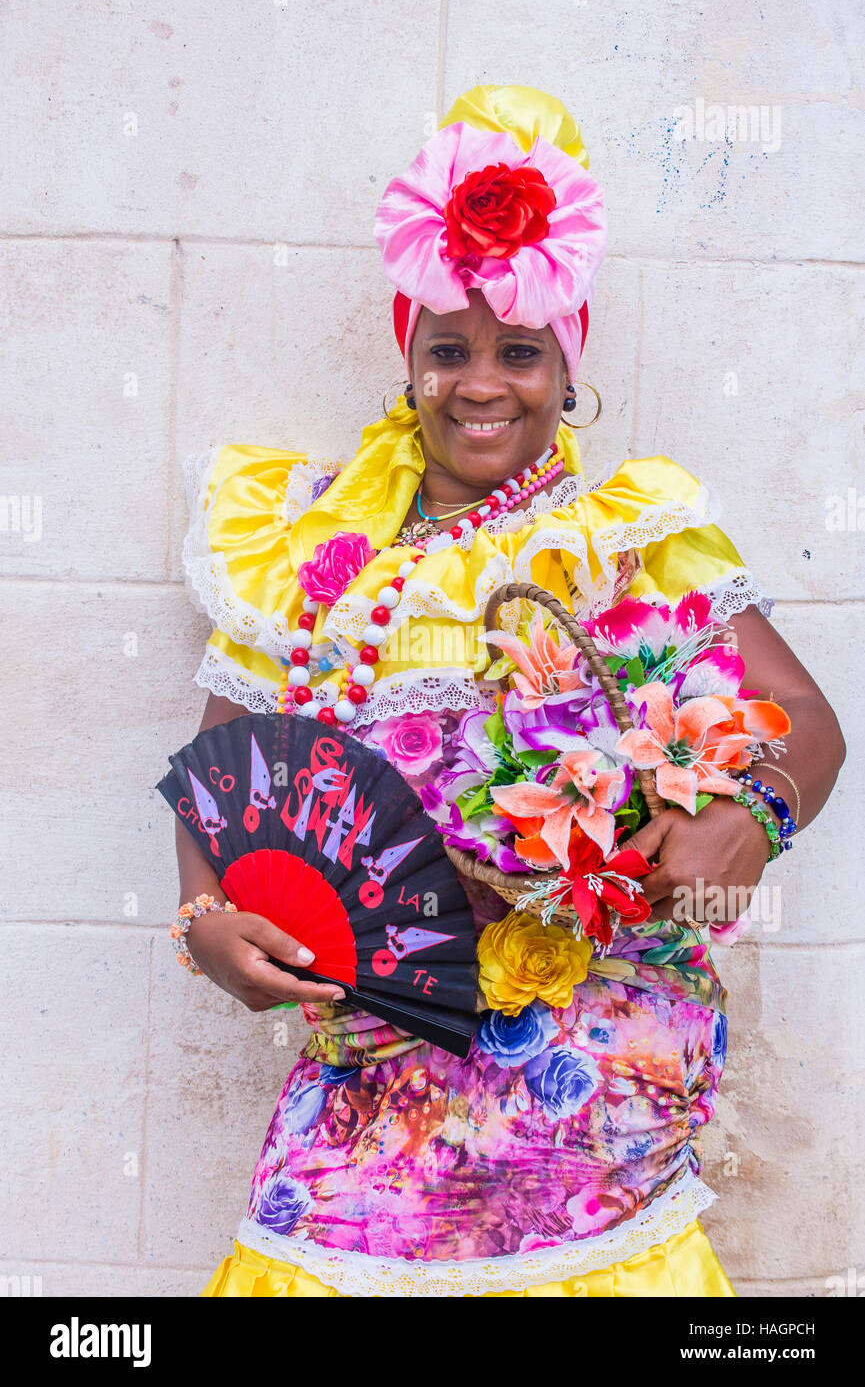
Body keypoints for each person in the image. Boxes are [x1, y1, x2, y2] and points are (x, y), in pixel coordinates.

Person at [170, 84, 845, 1298]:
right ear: (409, 361)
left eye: (519, 350)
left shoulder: (624, 535)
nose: (482, 384)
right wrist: (206, 924)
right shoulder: (317, 558)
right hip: (373, 1066)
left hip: (591, 1077)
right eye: (449, 350)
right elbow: (229, 780)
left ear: (565, 362)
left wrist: (752, 812)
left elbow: (810, 727)